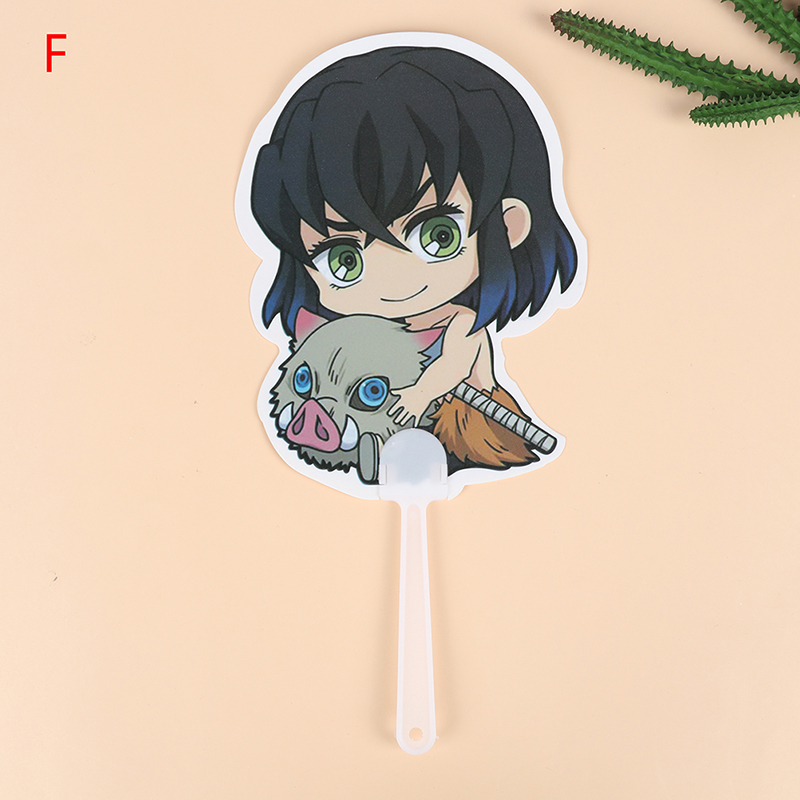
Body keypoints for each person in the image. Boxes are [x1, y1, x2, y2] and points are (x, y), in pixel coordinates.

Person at [248, 44, 579, 471]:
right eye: (344, 260)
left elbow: (453, 365)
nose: (393, 277)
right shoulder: (355, 333)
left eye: (437, 236)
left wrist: (419, 396)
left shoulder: (460, 322)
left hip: (459, 423)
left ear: (508, 225)